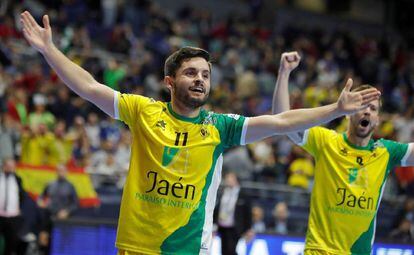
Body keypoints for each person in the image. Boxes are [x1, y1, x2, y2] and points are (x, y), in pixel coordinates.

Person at [20, 11, 380, 254]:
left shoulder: (220, 127)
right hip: (136, 246)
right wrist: (49, 49)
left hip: (188, 249)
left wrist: (335, 110)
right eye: (191, 73)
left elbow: (283, 122)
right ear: (169, 81)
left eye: (205, 75)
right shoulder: (143, 111)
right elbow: (87, 85)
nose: (200, 79)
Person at [272, 51, 414, 254]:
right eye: (361, 106)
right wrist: (284, 73)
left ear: (377, 119)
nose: (367, 111)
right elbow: (280, 120)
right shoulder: (326, 141)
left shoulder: (386, 152)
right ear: (347, 114)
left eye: (373, 109)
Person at [214, 172, 252, 255]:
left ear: (236, 180)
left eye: (230, 178)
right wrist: (214, 223)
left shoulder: (242, 194)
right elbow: (217, 208)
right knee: (224, 250)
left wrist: (248, 228)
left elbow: (247, 212)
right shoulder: (223, 192)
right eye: (227, 178)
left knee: (231, 249)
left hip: (235, 227)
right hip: (222, 226)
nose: (228, 180)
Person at [0, 158, 25, 255]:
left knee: (11, 242)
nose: (10, 169)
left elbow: (21, 196)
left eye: (12, 167)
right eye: (8, 166)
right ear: (3, 166)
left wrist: (19, 208)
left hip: (12, 216)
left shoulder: (17, 180)